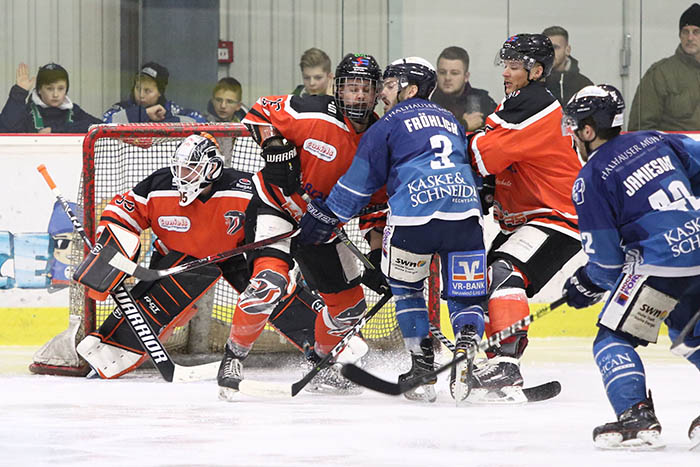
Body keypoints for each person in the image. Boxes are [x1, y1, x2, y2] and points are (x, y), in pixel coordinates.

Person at [297, 57, 487, 403]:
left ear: (409, 89)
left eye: (389, 84)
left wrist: (325, 218)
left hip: (415, 219)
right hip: (465, 216)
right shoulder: (450, 121)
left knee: (408, 290)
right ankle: (466, 343)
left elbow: (357, 187)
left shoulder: (384, 126)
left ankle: (422, 367)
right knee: (467, 295)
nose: (381, 93)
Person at [71, 133, 328, 381]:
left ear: (212, 169)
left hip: (238, 253)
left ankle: (330, 350)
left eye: (190, 169)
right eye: (180, 168)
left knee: (270, 291)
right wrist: (112, 250)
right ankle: (109, 349)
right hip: (180, 255)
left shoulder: (246, 187)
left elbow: (285, 210)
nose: (181, 176)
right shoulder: (159, 186)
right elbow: (121, 213)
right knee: (153, 302)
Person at [217, 53, 386, 397]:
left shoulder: (378, 139)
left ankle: (322, 363)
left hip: (322, 227)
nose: (358, 96)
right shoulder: (310, 110)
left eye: (365, 89)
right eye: (351, 88)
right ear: (338, 89)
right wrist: (275, 146)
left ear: (376, 93)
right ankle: (233, 356)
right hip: (276, 208)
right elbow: (260, 111)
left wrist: (377, 250)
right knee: (268, 284)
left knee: (350, 307)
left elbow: (375, 204)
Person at [561, 84, 700, 450]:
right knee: (692, 336)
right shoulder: (656, 139)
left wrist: (586, 283)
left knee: (613, 337)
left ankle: (635, 416)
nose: (573, 136)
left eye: (575, 127)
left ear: (588, 130)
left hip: (659, 268)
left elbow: (607, 264)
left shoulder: (591, 178)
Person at [466, 34, 582, 397]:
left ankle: (505, 366)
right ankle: (498, 366)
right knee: (485, 284)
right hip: (530, 216)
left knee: (503, 274)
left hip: (557, 216)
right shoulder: (518, 102)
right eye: (506, 64)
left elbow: (483, 156)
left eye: (515, 66)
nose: (506, 72)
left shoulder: (534, 105)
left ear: (536, 71)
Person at [628, 3, 700, 131]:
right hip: (675, 150)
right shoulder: (660, 74)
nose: (690, 38)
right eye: (685, 32)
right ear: (679, 36)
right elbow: (640, 128)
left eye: (696, 32)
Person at [0, 62, 101, 133]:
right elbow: (4, 130)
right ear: (39, 89)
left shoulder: (74, 111)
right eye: (49, 89)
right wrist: (19, 93)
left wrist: (55, 130)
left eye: (60, 88)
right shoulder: (28, 112)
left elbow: (101, 127)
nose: (55, 94)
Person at [103, 62, 207, 124]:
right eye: (138, 88)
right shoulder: (121, 109)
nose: (141, 95)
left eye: (147, 91)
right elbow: (106, 122)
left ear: (160, 92)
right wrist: (145, 114)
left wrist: (164, 119)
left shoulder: (171, 110)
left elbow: (200, 123)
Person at [430, 46, 497, 131]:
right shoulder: (427, 101)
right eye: (442, 72)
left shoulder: (482, 101)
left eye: (454, 73)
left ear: (466, 77)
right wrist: (464, 125)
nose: (447, 78)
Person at [542, 26, 593, 106]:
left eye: (555, 47)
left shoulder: (583, 85)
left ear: (567, 50)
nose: (551, 52)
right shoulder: (534, 83)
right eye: (546, 48)